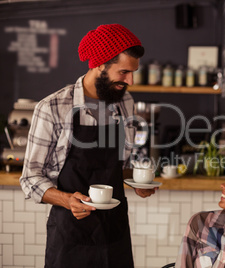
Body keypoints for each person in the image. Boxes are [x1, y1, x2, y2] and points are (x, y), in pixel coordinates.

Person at [19, 24, 156, 268]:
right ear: (99, 64)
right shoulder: (53, 107)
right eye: (124, 72)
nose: (131, 81)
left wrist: (136, 182)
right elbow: (30, 178)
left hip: (115, 232)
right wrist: (66, 200)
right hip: (69, 236)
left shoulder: (124, 102)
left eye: (133, 72)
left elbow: (116, 166)